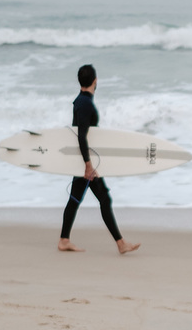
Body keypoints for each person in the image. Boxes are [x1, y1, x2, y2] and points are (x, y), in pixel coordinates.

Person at [57, 64, 140, 254]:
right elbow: (81, 136)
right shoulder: (85, 104)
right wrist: (88, 165)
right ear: (95, 81)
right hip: (86, 162)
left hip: (84, 160)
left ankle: (64, 239)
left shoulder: (80, 101)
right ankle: (120, 243)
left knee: (77, 199)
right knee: (103, 199)